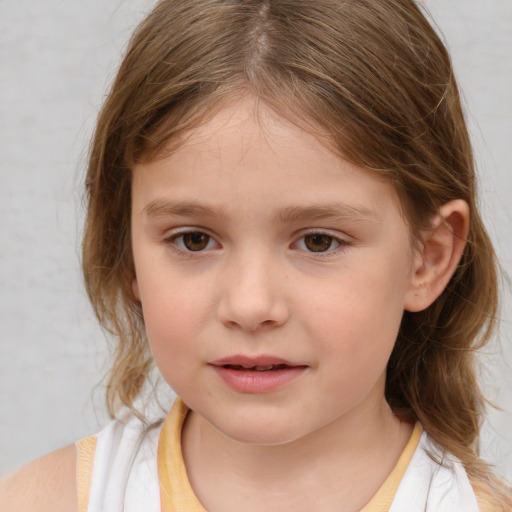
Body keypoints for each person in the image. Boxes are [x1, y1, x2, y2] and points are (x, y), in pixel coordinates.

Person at [1, 0, 511, 510]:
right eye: (193, 240)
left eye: (318, 241)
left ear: (428, 258)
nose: (249, 305)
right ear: (126, 250)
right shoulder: (44, 500)